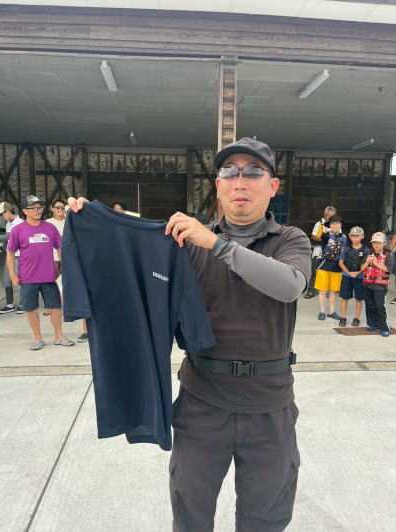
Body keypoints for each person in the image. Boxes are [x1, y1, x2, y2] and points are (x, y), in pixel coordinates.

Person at [69, 137, 311, 532]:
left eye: (253, 172)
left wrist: (216, 243)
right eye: (229, 172)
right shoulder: (187, 243)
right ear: (218, 185)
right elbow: (130, 255)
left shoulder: (289, 240)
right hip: (203, 403)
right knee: (191, 514)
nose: (240, 182)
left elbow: (289, 285)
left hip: (270, 406)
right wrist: (92, 223)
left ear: (272, 186)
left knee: (265, 518)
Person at [6, 195, 75, 350]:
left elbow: (60, 248)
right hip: (27, 277)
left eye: (39, 208)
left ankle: (59, 336)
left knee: (55, 307)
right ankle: (38, 338)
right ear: (25, 211)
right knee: (31, 308)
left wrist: (64, 267)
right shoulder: (17, 230)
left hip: (49, 276)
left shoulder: (50, 228)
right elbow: (10, 254)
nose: (38, 211)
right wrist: (12, 274)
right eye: (33, 208)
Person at [46, 199, 88, 342]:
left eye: (62, 208)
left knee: (79, 291)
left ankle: (85, 329)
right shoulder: (48, 224)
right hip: (53, 260)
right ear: (52, 209)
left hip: (69, 260)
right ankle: (59, 332)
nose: (60, 210)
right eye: (57, 208)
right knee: (56, 293)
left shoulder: (71, 221)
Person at [314, 214, 347, 321]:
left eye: (337, 223)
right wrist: (323, 227)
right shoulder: (325, 235)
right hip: (324, 265)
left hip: (337, 267)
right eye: (333, 223)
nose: (335, 225)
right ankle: (322, 311)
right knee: (322, 290)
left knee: (334, 291)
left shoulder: (344, 237)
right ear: (330, 225)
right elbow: (317, 236)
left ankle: (332, 311)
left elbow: (344, 252)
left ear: (341, 225)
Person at [361, 232, 394, 337]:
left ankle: (384, 327)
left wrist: (376, 264)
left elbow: (388, 269)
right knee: (369, 305)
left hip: (380, 286)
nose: (376, 245)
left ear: (384, 243)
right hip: (367, 284)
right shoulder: (368, 253)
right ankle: (372, 324)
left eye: (379, 243)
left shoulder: (388, 255)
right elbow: (361, 268)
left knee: (379, 306)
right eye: (374, 242)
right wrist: (367, 262)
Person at [338, 226, 369, 327]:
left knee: (359, 298)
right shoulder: (346, 249)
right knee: (344, 297)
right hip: (347, 276)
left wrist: (358, 272)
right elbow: (341, 262)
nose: (355, 238)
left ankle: (357, 318)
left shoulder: (366, 250)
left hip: (359, 277)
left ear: (362, 236)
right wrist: (348, 272)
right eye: (353, 236)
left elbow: (366, 264)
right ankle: (343, 317)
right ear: (349, 236)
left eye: (357, 236)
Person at [0, 201, 24, 314]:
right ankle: (9, 305)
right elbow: (8, 241)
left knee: (19, 281)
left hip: (19, 256)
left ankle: (23, 304)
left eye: (2, 214)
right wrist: (0, 246)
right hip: (10, 255)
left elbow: (10, 236)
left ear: (7, 211)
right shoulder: (8, 224)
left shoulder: (20, 223)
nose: (1, 217)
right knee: (6, 281)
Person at [304, 205, 337, 299]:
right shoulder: (319, 224)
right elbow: (313, 236)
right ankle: (311, 291)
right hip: (319, 250)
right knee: (315, 270)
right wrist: (324, 238)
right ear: (325, 214)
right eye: (329, 215)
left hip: (331, 251)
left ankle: (327, 291)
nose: (330, 217)